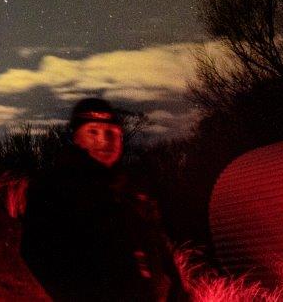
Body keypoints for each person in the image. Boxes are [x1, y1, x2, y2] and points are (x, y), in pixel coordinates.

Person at [21, 98, 188, 301]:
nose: (104, 140)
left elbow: (160, 254)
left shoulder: (130, 191)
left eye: (112, 132)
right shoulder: (55, 188)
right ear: (76, 137)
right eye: (93, 131)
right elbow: (39, 255)